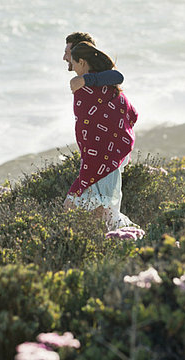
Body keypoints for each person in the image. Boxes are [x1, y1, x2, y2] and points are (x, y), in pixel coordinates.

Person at [63, 41, 138, 230]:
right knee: (95, 213)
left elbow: (118, 76)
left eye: (68, 54)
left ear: (81, 61)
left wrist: (86, 81)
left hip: (104, 156)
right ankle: (110, 241)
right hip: (94, 156)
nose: (65, 58)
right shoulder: (97, 83)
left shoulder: (96, 84)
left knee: (99, 212)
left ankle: (123, 239)